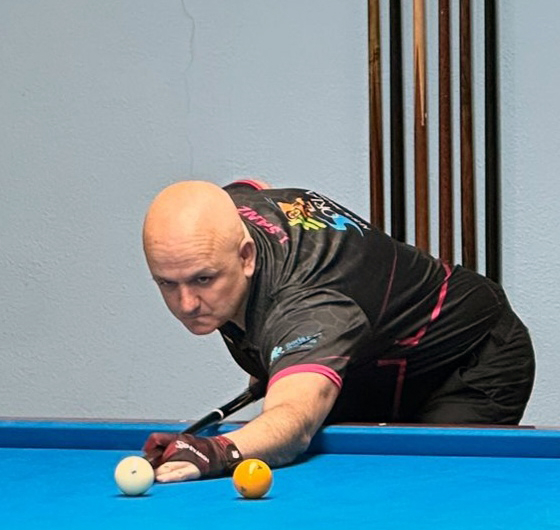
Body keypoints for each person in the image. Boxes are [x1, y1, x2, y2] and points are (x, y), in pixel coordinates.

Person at [141, 179, 534, 483]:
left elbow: (293, 420)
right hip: (376, 362)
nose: (186, 303)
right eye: (167, 283)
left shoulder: (310, 306)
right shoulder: (225, 218)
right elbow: (251, 187)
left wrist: (216, 450)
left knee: (424, 494)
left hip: (468, 360)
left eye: (204, 279)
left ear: (246, 256)